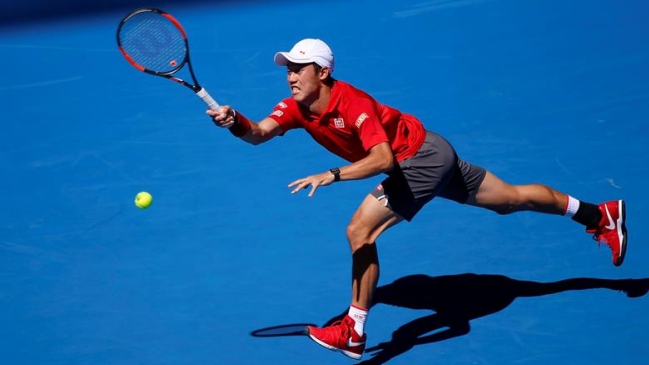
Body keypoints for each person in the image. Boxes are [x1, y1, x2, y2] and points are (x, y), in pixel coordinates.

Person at [207, 38, 628, 360]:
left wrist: (332, 174)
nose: (290, 76)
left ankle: (353, 331)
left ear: (321, 71)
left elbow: (383, 158)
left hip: (418, 158)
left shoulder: (353, 104)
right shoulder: (296, 107)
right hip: (432, 150)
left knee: (359, 230)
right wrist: (233, 121)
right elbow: (258, 134)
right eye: (288, 70)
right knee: (510, 199)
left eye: (298, 69)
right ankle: (598, 214)